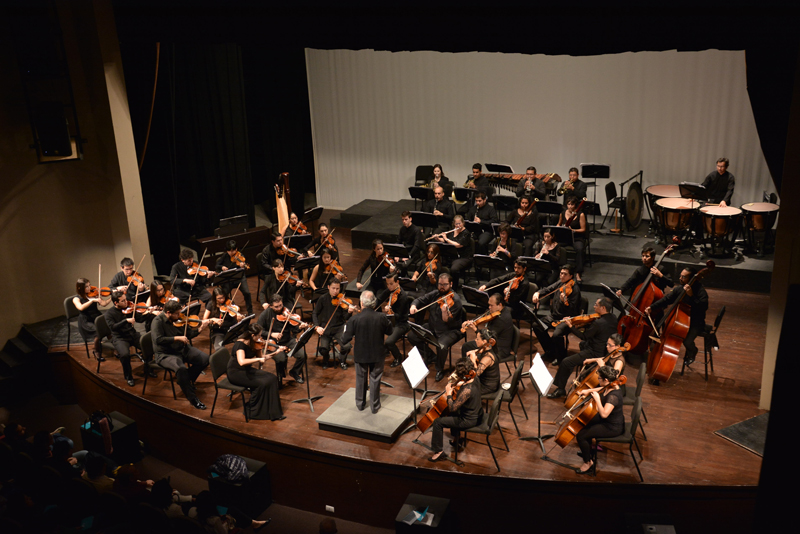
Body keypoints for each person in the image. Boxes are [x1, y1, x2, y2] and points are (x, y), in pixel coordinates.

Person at [547, 298, 618, 398]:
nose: (594, 306)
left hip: (594, 352)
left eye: (596, 305)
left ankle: (561, 389)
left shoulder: (598, 323)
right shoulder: (613, 318)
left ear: (603, 308)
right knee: (582, 345)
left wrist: (571, 326)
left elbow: (584, 336)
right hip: (604, 350)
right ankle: (582, 375)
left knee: (566, 362)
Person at [151, 300, 211, 409]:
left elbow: (189, 334)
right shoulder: (157, 322)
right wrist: (177, 338)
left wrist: (201, 328)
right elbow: (158, 339)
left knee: (205, 359)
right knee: (181, 369)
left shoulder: (179, 320)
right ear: (168, 312)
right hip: (165, 354)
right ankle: (192, 398)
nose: (179, 316)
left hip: (181, 349)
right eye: (177, 314)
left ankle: (185, 380)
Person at [340, 291, 392, 413]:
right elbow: (390, 331)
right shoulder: (381, 317)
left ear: (361, 303)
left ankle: (360, 404)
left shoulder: (354, 319)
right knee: (375, 379)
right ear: (373, 303)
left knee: (360, 379)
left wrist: (346, 327)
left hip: (361, 355)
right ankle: (374, 406)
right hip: (377, 354)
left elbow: (344, 339)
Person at [645, 266, 708, 366]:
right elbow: (666, 299)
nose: (680, 279)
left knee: (687, 341)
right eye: (680, 276)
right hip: (681, 320)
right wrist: (651, 307)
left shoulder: (700, 291)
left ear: (692, 279)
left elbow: (703, 308)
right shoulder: (680, 288)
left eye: (683, 277)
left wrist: (692, 296)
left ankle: (693, 351)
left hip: (696, 322)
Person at [408, 273, 463, 382]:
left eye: (445, 284)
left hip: (450, 330)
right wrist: (413, 306)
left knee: (441, 346)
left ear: (451, 284)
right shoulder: (435, 294)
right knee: (412, 336)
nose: (442, 287)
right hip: (433, 326)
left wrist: (444, 313)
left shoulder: (456, 301)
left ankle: (439, 369)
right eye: (440, 284)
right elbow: (420, 299)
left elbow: (448, 321)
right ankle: (431, 356)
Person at [428, 357, 483, 463]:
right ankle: (456, 439)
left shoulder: (467, 390)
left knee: (438, 422)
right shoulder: (474, 376)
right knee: (452, 413)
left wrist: (449, 394)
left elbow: (452, 408)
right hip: (476, 412)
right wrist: (460, 384)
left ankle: (438, 452)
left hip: (468, 420)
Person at [574, 365, 625, 474]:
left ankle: (588, 463)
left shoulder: (614, 396)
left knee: (581, 436)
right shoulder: (610, 385)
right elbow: (602, 388)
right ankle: (588, 452)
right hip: (608, 421)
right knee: (584, 423)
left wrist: (597, 399)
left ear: (606, 380)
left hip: (612, 426)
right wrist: (588, 391)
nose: (598, 380)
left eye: (599, 378)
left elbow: (604, 414)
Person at [228, 323, 285, 420]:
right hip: (236, 373)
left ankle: (273, 412)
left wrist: (277, 352)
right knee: (262, 383)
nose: (261, 337)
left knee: (272, 378)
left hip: (247, 370)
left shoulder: (255, 343)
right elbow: (241, 362)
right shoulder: (240, 344)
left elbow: (262, 357)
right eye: (259, 335)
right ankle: (252, 409)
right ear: (253, 335)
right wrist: (257, 360)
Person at [530, 264, 582, 362]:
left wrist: (564, 302)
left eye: (565, 274)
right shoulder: (560, 283)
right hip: (554, 316)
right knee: (536, 325)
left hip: (566, 319)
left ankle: (561, 357)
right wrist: (537, 293)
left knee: (556, 334)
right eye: (561, 273)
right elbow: (547, 289)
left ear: (571, 276)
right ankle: (551, 351)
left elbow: (573, 310)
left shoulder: (575, 290)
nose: (562, 276)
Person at [257, 294, 309, 384]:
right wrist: (272, 334)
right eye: (276, 307)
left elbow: (294, 329)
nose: (279, 308)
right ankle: (280, 375)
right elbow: (259, 332)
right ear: (270, 306)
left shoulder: (286, 311)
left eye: (281, 305)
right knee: (281, 359)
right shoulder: (265, 315)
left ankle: (294, 372)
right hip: (272, 343)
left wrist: (300, 327)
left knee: (302, 355)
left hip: (288, 340)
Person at [615, 247, 674, 312]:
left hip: (655, 301)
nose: (644, 258)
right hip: (641, 298)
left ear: (653, 257)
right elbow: (630, 281)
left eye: (647, 256)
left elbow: (671, 284)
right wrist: (621, 290)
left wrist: (660, 275)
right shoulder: (640, 270)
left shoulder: (660, 269)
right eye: (643, 256)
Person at [460, 293, 514, 364]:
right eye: (489, 305)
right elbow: (482, 316)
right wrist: (470, 321)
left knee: (467, 348)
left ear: (500, 305)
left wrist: (476, 330)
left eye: (491, 305)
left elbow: (487, 338)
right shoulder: (501, 310)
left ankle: (470, 369)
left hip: (499, 349)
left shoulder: (502, 319)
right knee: (467, 346)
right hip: (493, 343)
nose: (489, 307)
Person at [313, 279, 355, 370]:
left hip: (339, 327)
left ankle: (342, 360)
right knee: (323, 349)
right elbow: (315, 313)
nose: (335, 291)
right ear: (328, 287)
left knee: (347, 346)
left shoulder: (342, 301)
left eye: (337, 288)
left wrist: (349, 312)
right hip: (326, 328)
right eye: (333, 288)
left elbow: (345, 318)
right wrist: (317, 326)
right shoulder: (323, 299)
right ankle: (326, 359)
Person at [103, 291, 141, 386]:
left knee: (148, 345)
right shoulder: (109, 313)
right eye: (123, 301)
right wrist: (126, 321)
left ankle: (149, 369)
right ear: (116, 303)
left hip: (132, 334)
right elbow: (113, 327)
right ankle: (129, 377)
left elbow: (140, 318)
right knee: (124, 355)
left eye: (126, 299)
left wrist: (150, 311)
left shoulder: (128, 308)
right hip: (120, 338)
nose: (126, 302)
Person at [375, 272, 412, 367]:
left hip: (401, 323)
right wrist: (370, 306)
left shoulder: (402, 296)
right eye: (387, 284)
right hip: (392, 321)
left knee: (389, 341)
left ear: (397, 282)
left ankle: (398, 357)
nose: (389, 286)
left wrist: (390, 311)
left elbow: (400, 316)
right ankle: (385, 349)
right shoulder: (390, 291)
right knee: (376, 327)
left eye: (391, 284)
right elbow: (379, 299)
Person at [215, 239, 254, 316]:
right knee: (224, 294)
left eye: (233, 251)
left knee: (247, 292)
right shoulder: (225, 256)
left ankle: (250, 311)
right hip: (229, 280)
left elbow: (244, 268)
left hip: (240, 278)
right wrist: (222, 267)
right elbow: (217, 265)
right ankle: (227, 310)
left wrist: (243, 266)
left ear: (236, 249)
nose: (231, 253)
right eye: (229, 251)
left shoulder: (240, 256)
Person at [73, 277, 111, 357]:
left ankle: (115, 347)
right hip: (86, 320)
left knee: (110, 327)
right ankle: (96, 350)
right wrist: (92, 300)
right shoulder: (76, 299)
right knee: (98, 332)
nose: (90, 288)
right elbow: (80, 308)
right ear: (80, 288)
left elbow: (104, 304)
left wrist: (112, 297)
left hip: (97, 317)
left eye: (89, 285)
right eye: (87, 286)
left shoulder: (93, 294)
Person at [435, 215, 472, 288]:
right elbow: (446, 241)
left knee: (454, 269)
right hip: (452, 255)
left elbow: (458, 245)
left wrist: (446, 238)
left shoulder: (466, 233)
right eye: (456, 224)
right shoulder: (453, 231)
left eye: (460, 223)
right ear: (454, 224)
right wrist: (438, 239)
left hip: (464, 257)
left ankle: (454, 287)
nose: (458, 225)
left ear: (463, 223)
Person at [203, 286, 246, 351]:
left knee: (244, 342)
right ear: (214, 298)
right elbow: (204, 320)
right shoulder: (211, 304)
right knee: (219, 349)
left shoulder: (229, 302)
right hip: (218, 331)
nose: (222, 299)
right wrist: (214, 320)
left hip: (231, 329)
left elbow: (235, 316)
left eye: (223, 297)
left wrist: (239, 318)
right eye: (219, 298)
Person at [558, 195, 587, 283]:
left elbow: (583, 229)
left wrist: (573, 230)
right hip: (565, 238)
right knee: (556, 246)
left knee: (579, 249)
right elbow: (558, 224)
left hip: (577, 237)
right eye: (568, 204)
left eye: (572, 204)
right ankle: (559, 270)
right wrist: (559, 228)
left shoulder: (580, 214)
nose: (570, 206)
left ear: (575, 205)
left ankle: (578, 273)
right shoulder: (562, 213)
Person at [466, 329, 501, 396]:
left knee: (464, 390)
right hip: (484, 380)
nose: (475, 340)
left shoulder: (487, 358)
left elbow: (475, 375)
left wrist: (473, 360)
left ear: (484, 341)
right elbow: (481, 350)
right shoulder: (487, 347)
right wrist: (474, 351)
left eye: (477, 339)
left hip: (487, 386)